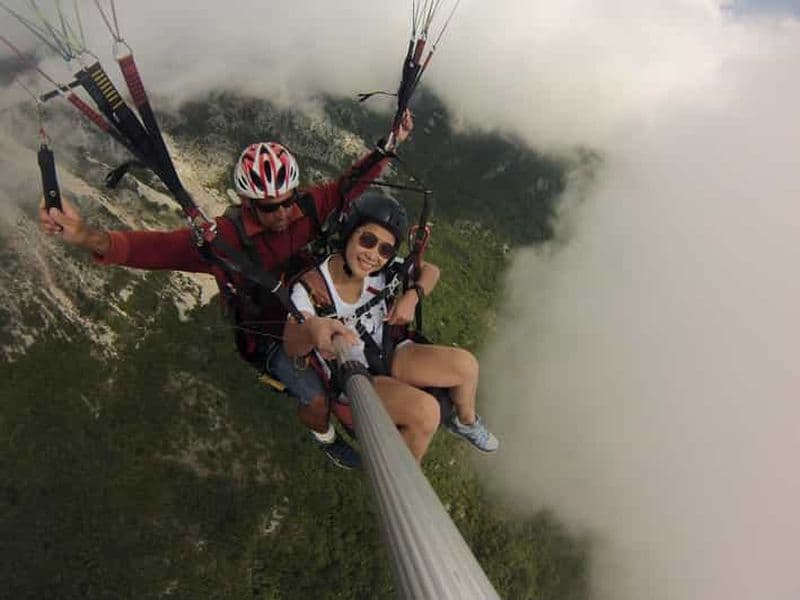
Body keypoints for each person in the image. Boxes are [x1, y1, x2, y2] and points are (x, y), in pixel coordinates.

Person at [38, 112, 414, 470]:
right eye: (270, 209)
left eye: (287, 202)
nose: (282, 214)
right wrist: (86, 235)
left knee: (366, 360)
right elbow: (151, 249)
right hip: (269, 337)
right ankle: (326, 437)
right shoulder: (226, 240)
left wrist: (391, 143)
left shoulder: (305, 209)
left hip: (316, 308)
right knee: (317, 398)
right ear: (248, 203)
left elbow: (347, 185)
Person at [283, 193, 499, 462]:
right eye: (368, 240)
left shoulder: (383, 271)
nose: (373, 255)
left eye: (385, 249)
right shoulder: (311, 287)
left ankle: (465, 422)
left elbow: (431, 271)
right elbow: (292, 343)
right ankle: (405, 484)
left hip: (388, 350)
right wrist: (314, 328)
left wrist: (412, 296)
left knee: (467, 366)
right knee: (426, 413)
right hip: (355, 375)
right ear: (349, 233)